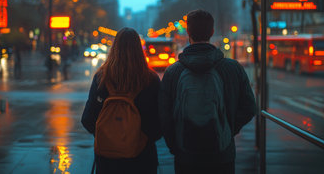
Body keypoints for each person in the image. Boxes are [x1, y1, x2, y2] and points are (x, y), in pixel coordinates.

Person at [160, 9, 256, 174]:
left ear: (188, 32)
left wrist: (175, 145)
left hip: (186, 156)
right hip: (222, 154)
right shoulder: (233, 69)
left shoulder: (173, 72)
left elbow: (163, 114)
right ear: (212, 32)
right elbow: (249, 107)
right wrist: (227, 128)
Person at [81, 27, 162, 174]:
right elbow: (159, 123)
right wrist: (140, 138)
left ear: (114, 47)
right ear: (139, 49)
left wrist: (109, 134)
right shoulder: (151, 79)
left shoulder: (101, 78)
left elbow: (87, 119)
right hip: (142, 159)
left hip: (107, 159)